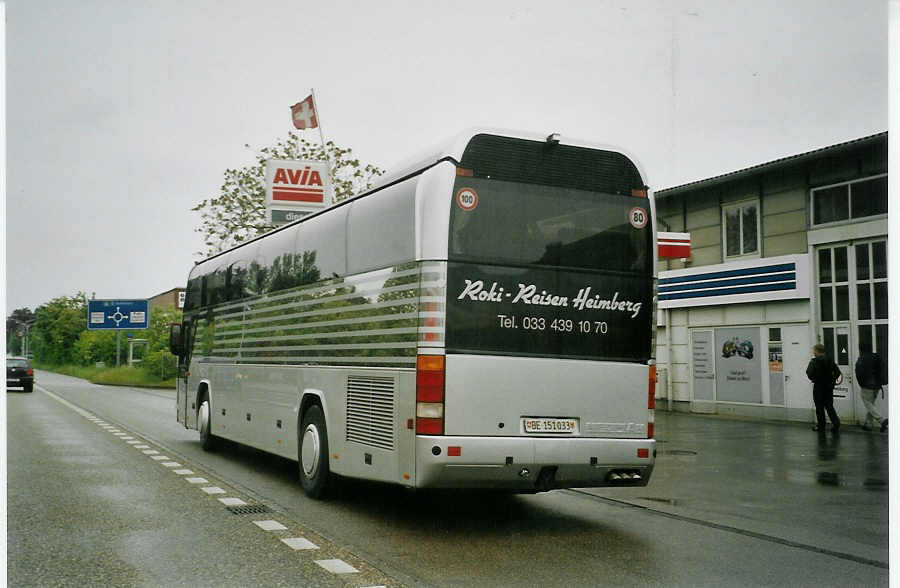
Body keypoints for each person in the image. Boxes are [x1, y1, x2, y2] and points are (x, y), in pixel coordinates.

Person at [806, 344, 841, 433]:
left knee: (819, 407)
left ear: (817, 351)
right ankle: (836, 423)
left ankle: (821, 426)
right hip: (828, 387)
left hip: (819, 387)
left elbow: (809, 373)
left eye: (814, 350)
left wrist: (814, 379)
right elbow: (837, 372)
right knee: (829, 406)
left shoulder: (814, 361)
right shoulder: (830, 360)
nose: (813, 352)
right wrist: (832, 380)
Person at [855, 342, 887, 432]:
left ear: (860, 349)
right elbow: (883, 368)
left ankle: (882, 420)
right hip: (877, 385)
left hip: (867, 385)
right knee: (871, 404)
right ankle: (868, 424)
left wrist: (862, 384)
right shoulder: (876, 357)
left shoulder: (862, 359)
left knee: (869, 404)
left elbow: (859, 373)